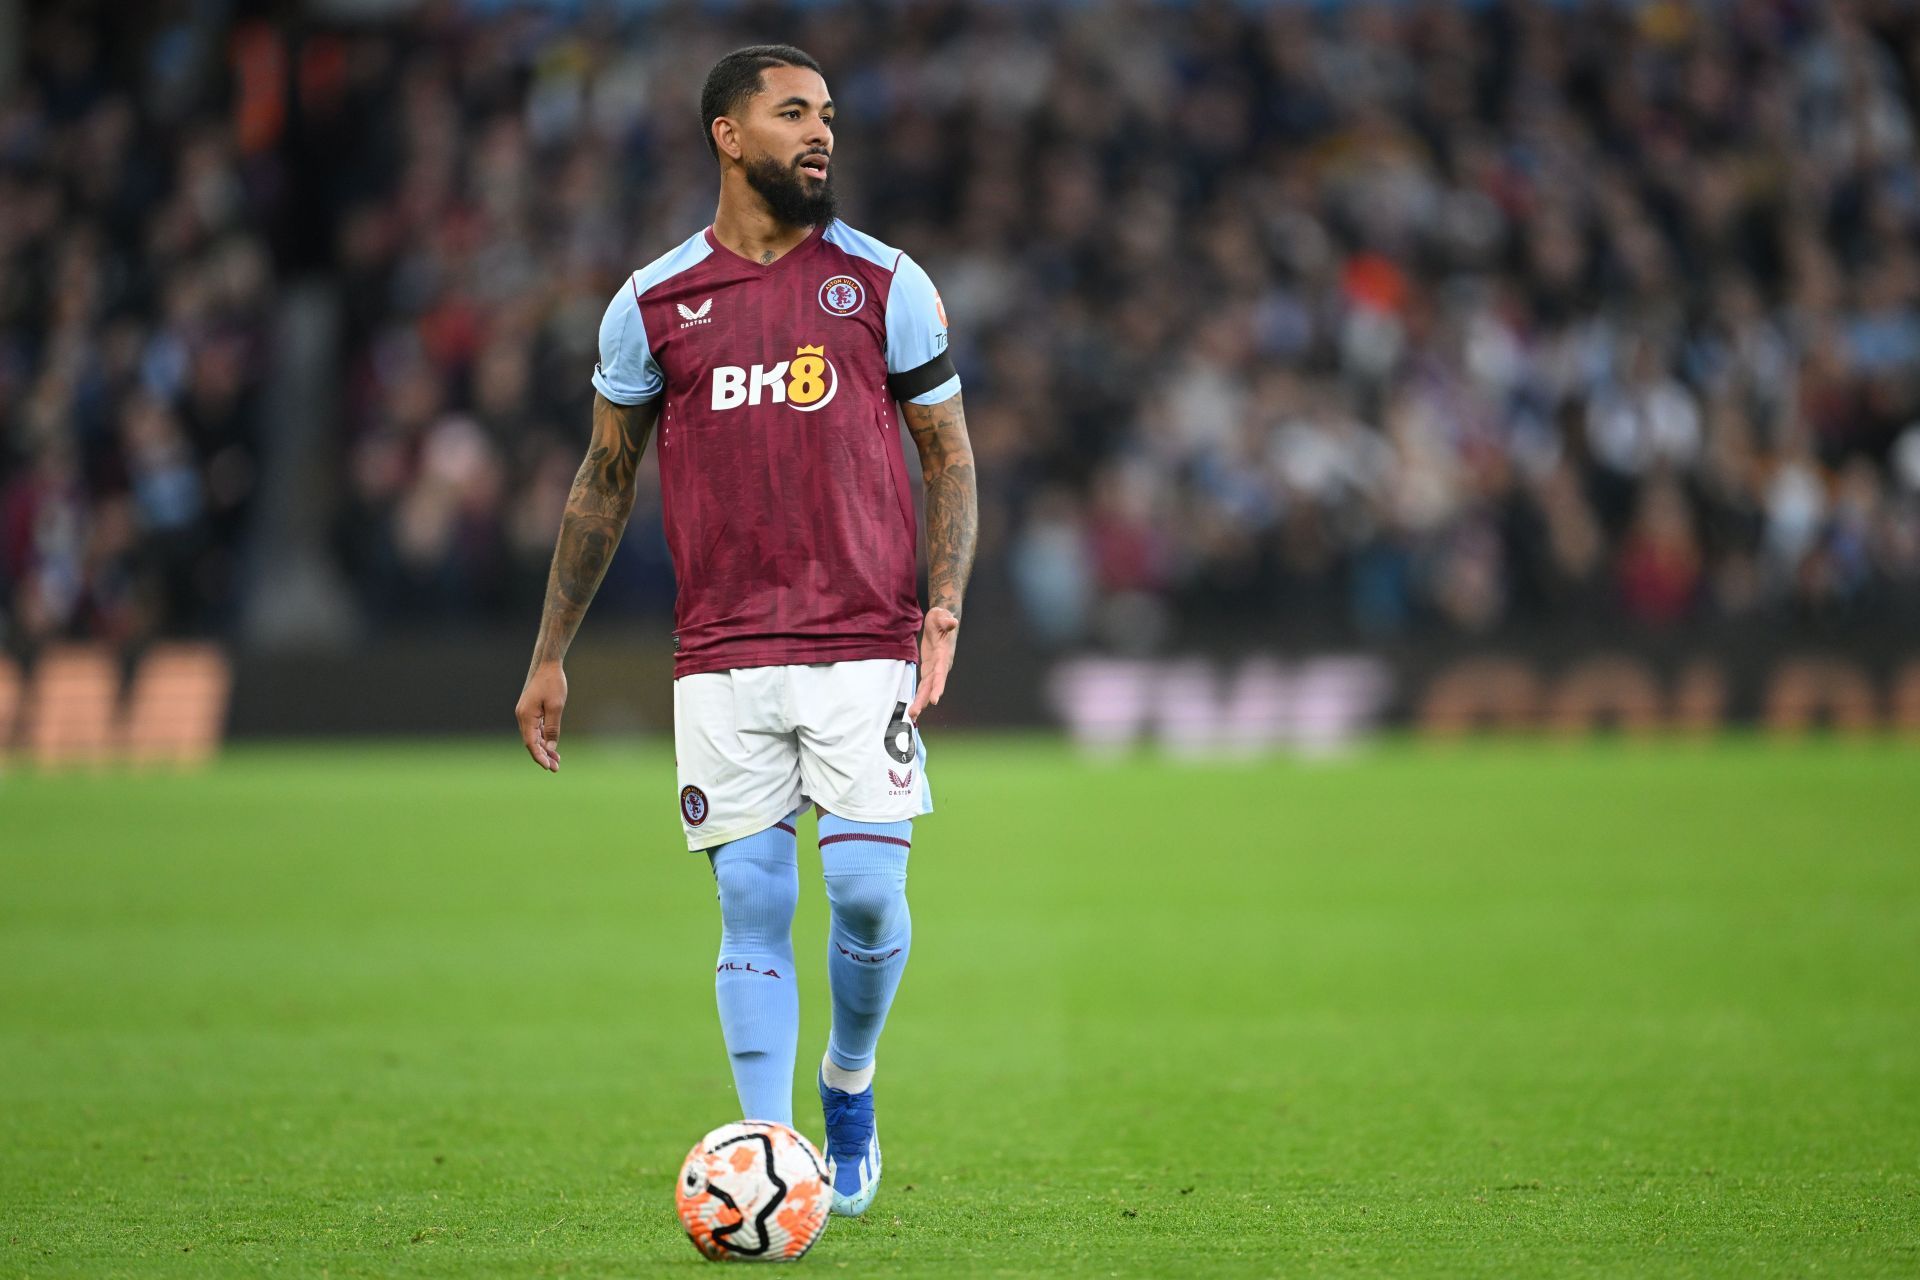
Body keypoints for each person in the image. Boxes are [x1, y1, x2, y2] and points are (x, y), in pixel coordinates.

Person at [513, 44, 976, 1220]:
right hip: (721, 655)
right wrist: (550, 651)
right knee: (752, 906)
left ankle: (849, 1081)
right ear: (727, 133)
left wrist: (945, 599)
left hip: (864, 636)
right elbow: (601, 483)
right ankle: (775, 1155)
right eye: (792, 113)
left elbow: (948, 454)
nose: (821, 133)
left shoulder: (885, 283)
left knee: (868, 894)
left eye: (828, 115)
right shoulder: (654, 304)